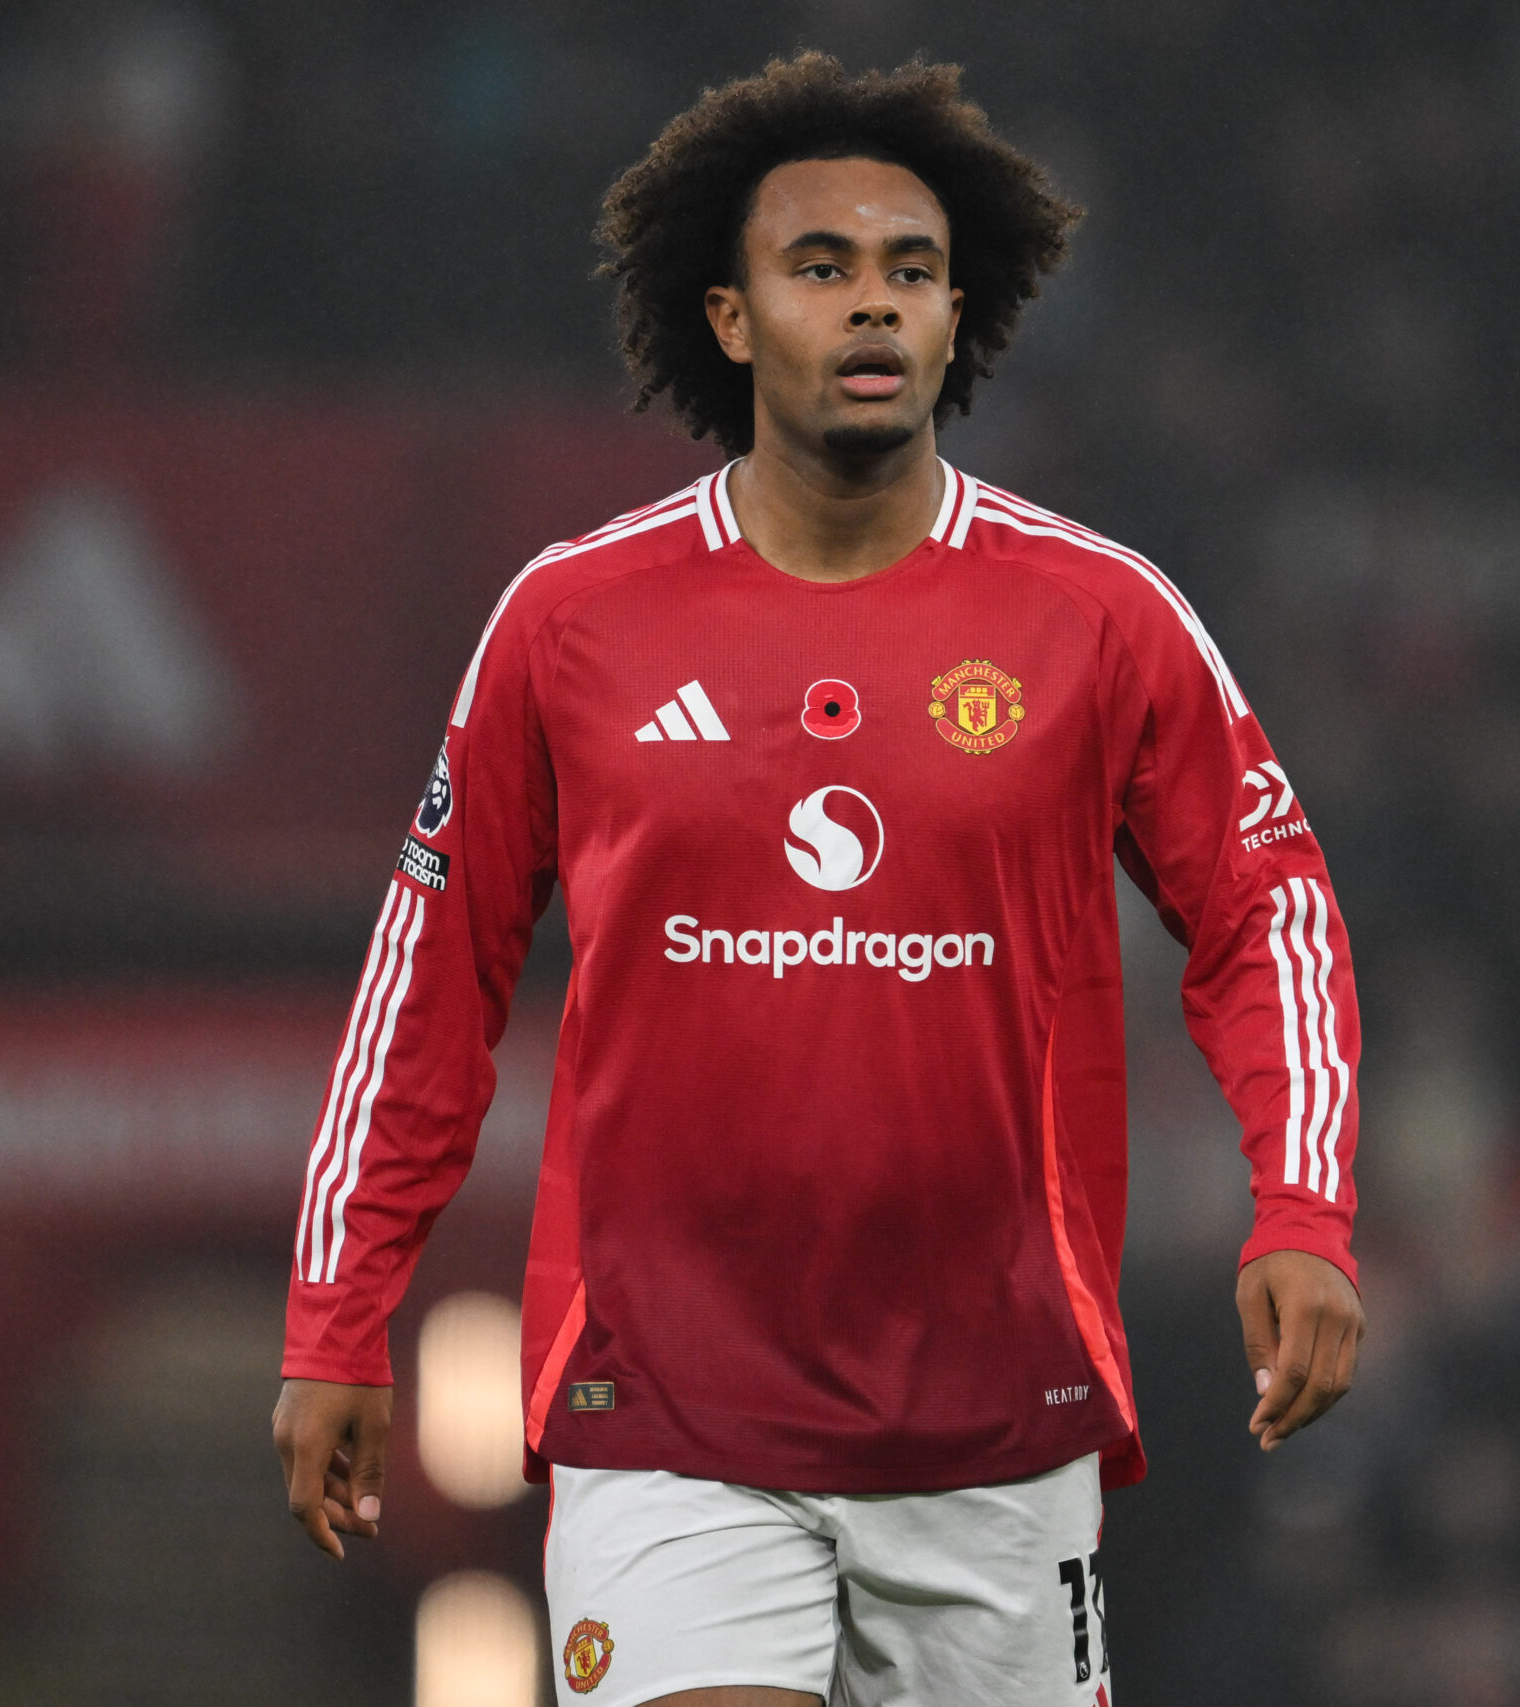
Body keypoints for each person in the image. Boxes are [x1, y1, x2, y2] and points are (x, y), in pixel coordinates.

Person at [273, 53, 1364, 1707]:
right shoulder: (573, 625)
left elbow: (1266, 905)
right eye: (823, 267)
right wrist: (339, 1316)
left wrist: (1302, 1205)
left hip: (996, 1429)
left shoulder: (1098, 618)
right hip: (672, 1419)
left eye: (913, 273)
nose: (875, 307)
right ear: (728, 321)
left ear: (957, 320)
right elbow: (427, 984)